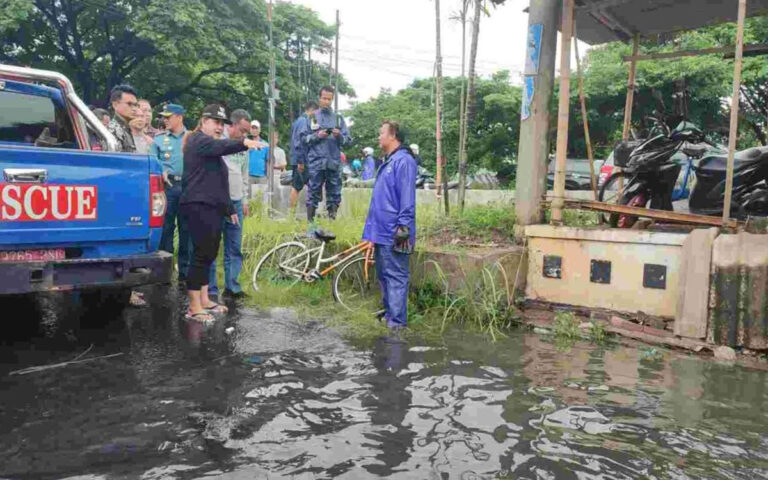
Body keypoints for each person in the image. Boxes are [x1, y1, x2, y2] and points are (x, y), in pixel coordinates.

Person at [181, 104, 262, 321]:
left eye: (221, 123)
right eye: (215, 122)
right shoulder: (198, 140)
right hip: (198, 205)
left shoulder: (211, 147)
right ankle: (194, 306)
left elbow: (219, 182)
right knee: (199, 256)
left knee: (209, 254)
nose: (219, 127)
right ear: (203, 121)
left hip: (214, 207)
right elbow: (225, 146)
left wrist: (229, 209)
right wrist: (245, 142)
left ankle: (206, 299)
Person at [362, 121, 417, 330]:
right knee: (384, 276)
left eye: (381, 133)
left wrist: (403, 231)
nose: (378, 137)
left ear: (393, 135)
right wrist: (371, 234)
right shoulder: (388, 162)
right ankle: (389, 317)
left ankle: (397, 325)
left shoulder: (404, 161)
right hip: (381, 232)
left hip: (396, 232)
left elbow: (407, 200)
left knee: (396, 277)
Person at [208, 109, 262, 301]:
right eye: (242, 130)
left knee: (234, 246)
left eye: (247, 131)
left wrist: (245, 201)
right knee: (212, 247)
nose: (245, 135)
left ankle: (232, 287)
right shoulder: (217, 142)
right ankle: (211, 290)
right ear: (232, 126)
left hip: (237, 202)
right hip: (216, 202)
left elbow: (244, 175)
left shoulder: (244, 147)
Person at [106, 84, 146, 307]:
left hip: (128, 191)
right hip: (119, 193)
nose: (133, 108)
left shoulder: (126, 128)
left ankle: (127, 290)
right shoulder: (113, 130)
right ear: (115, 104)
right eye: (129, 104)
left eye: (135, 104)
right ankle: (122, 292)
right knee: (121, 243)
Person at [299, 85, 351, 221]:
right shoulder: (312, 118)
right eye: (324, 98)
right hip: (316, 161)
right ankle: (310, 223)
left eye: (329, 99)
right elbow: (304, 139)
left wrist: (339, 135)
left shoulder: (338, 119)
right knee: (313, 191)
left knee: (334, 192)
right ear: (319, 98)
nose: (326, 101)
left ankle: (332, 220)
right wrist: (317, 135)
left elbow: (347, 141)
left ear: (332, 99)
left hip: (333, 161)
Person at [152, 103, 191, 285]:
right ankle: (164, 273)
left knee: (187, 230)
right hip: (167, 187)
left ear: (179, 117)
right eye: (164, 117)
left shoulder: (191, 138)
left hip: (188, 186)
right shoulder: (158, 140)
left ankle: (185, 273)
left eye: (168, 117)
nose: (164, 120)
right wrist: (161, 170)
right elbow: (152, 161)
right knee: (166, 230)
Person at [289, 101, 317, 211]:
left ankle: (309, 212)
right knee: (296, 187)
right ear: (312, 110)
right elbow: (299, 141)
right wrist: (301, 161)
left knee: (309, 185)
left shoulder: (298, 122)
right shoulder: (303, 122)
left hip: (302, 159)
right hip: (301, 160)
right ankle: (291, 213)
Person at [106, 84, 140, 152]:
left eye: (136, 105)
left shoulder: (130, 129)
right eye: (129, 104)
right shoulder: (111, 131)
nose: (134, 109)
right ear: (115, 105)